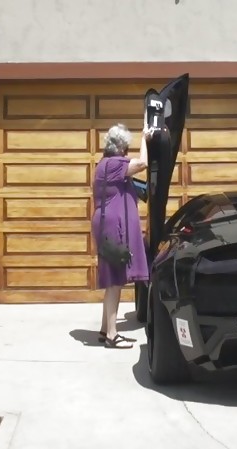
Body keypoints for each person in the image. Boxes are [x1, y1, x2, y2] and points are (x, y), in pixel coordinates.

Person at [91, 123, 152, 349]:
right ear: (120, 147)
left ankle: (105, 329)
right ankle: (112, 335)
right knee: (115, 280)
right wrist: (145, 139)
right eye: (126, 147)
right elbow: (143, 163)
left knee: (112, 278)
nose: (127, 152)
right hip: (111, 226)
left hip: (106, 224)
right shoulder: (114, 164)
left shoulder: (105, 164)